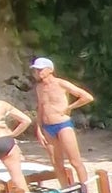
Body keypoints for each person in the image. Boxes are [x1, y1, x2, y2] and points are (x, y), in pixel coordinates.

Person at [29, 57, 95, 185]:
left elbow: (87, 97)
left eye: (40, 70)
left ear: (50, 70)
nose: (37, 73)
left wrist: (69, 107)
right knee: (56, 163)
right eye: (36, 70)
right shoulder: (39, 88)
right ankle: (66, 191)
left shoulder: (61, 83)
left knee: (75, 161)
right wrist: (38, 128)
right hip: (47, 127)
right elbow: (41, 108)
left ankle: (84, 191)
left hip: (62, 124)